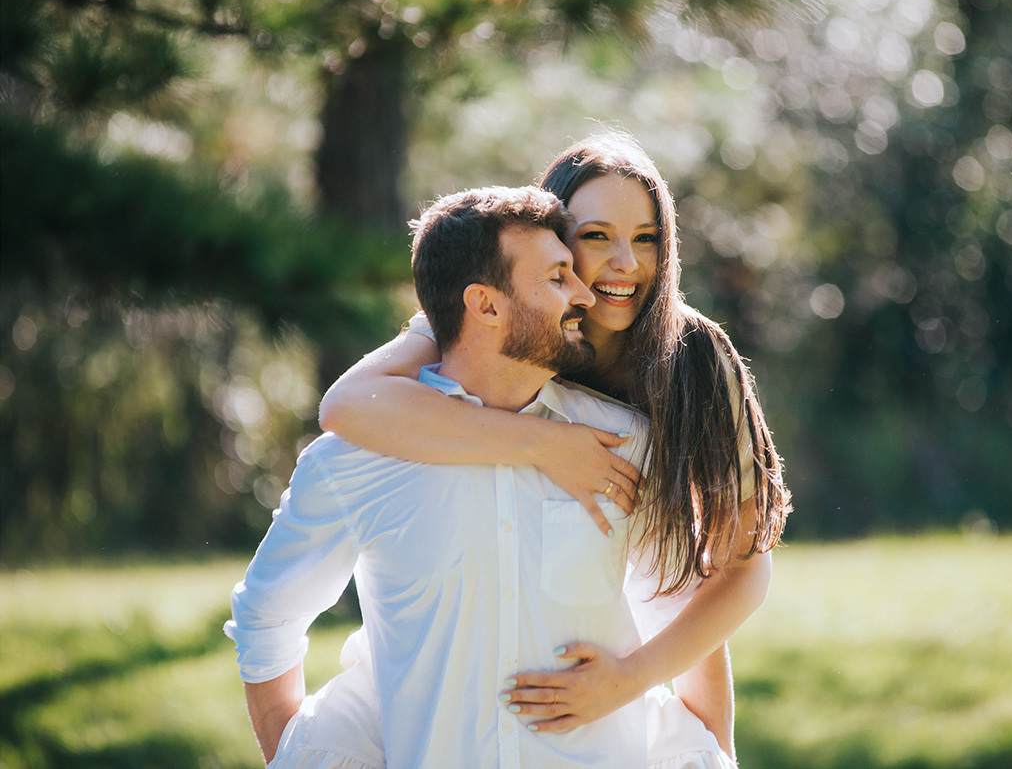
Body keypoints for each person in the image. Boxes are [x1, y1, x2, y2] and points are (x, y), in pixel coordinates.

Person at [225, 185, 737, 769]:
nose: (582, 295)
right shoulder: (356, 461)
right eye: (556, 278)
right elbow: (267, 617)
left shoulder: (625, 443)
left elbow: (680, 608)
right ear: (486, 306)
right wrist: (300, 758)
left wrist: (718, 751)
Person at [319, 133, 792, 758]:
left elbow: (739, 568)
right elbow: (346, 406)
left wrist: (635, 683)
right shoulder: (501, 317)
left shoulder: (694, 359)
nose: (627, 263)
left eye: (646, 238)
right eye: (596, 236)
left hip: (661, 624)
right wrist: (546, 444)